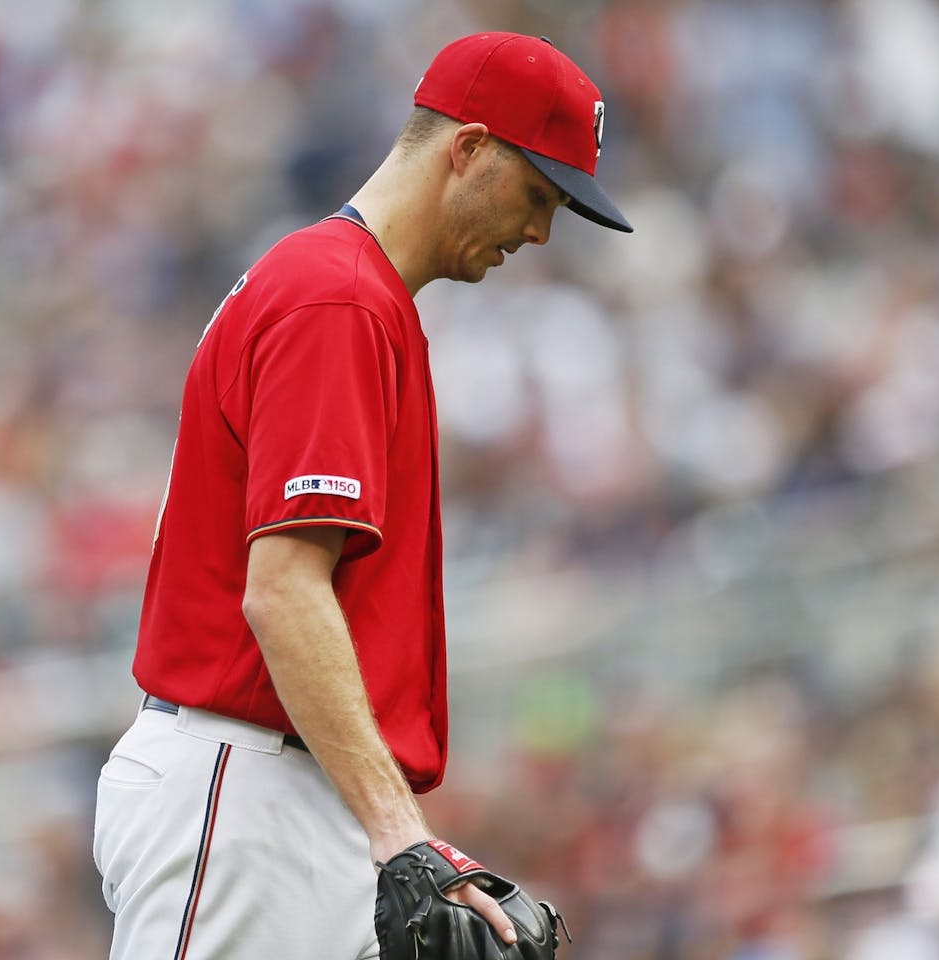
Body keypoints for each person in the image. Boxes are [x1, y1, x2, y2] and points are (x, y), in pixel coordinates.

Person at [93, 31, 632, 959]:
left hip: (288, 789)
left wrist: (391, 828)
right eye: (538, 195)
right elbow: (284, 590)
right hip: (244, 788)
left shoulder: (352, 292)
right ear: (466, 149)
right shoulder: (337, 299)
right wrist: (397, 832)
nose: (540, 232)